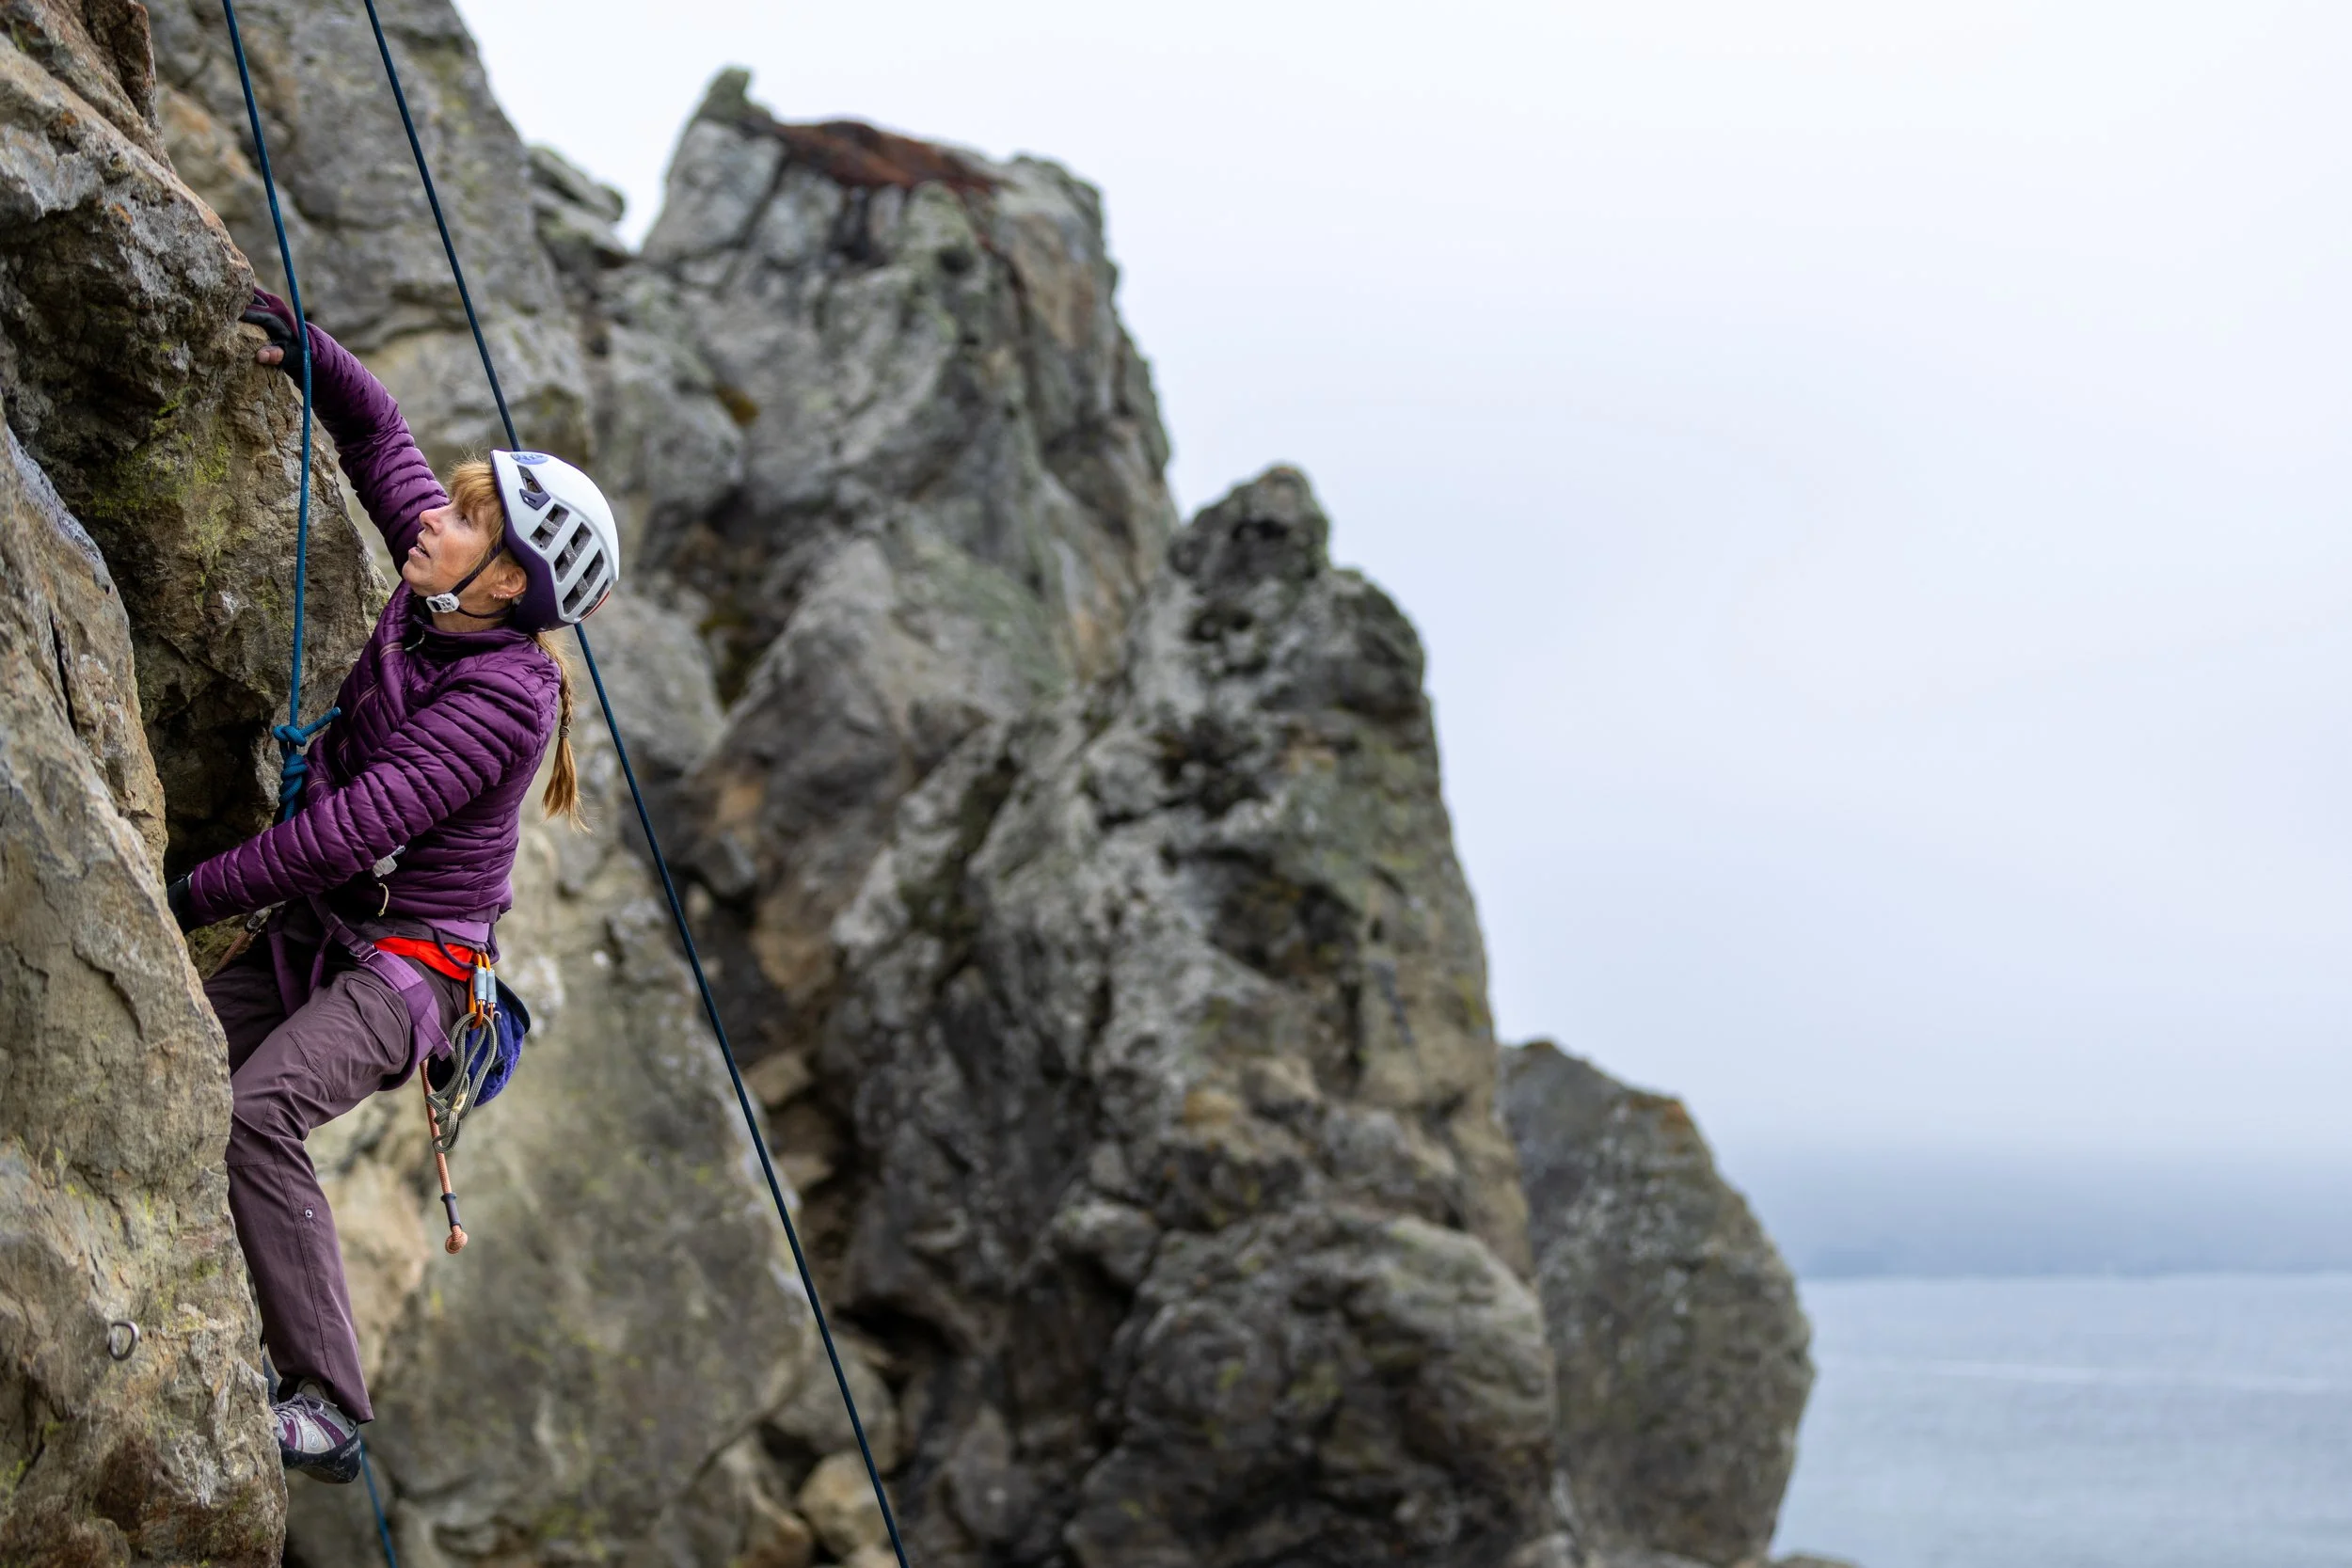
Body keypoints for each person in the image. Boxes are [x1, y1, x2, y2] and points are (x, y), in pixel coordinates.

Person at [164, 289, 619, 1482]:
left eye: (466, 521)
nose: (433, 521)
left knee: (259, 1111)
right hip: (332, 932)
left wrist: (189, 893)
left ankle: (327, 1404)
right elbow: (381, 439)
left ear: (510, 581)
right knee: (178, 1063)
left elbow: (351, 828)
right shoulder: (446, 583)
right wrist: (308, 353)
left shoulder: (505, 700)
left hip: (411, 968)